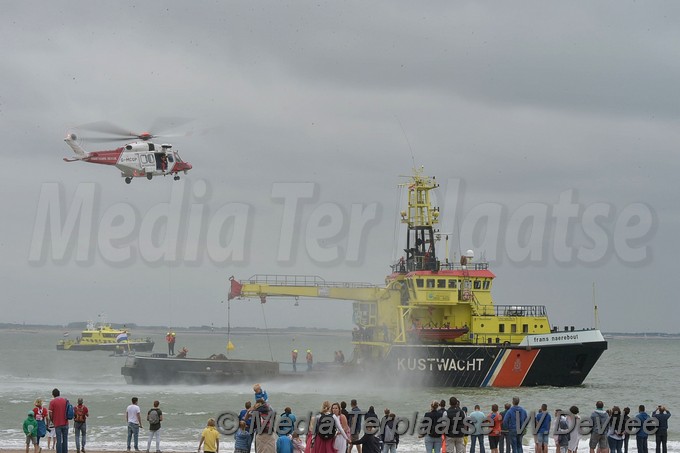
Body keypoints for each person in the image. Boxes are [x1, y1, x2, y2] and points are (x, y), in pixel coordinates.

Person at [48, 388, 69, 453]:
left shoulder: (52, 402)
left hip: (57, 423)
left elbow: (50, 413)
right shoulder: (65, 401)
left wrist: (52, 420)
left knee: (59, 440)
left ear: (53, 395)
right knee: (65, 439)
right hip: (66, 422)